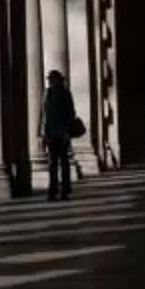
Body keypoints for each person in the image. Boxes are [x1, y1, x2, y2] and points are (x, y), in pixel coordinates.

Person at [37, 67, 82, 200]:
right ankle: (54, 190)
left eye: (52, 79)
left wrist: (66, 131)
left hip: (61, 133)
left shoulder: (64, 94)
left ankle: (63, 190)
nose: (51, 82)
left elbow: (70, 113)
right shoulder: (49, 94)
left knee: (62, 163)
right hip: (52, 134)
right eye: (50, 80)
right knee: (54, 163)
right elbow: (44, 115)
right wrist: (43, 133)